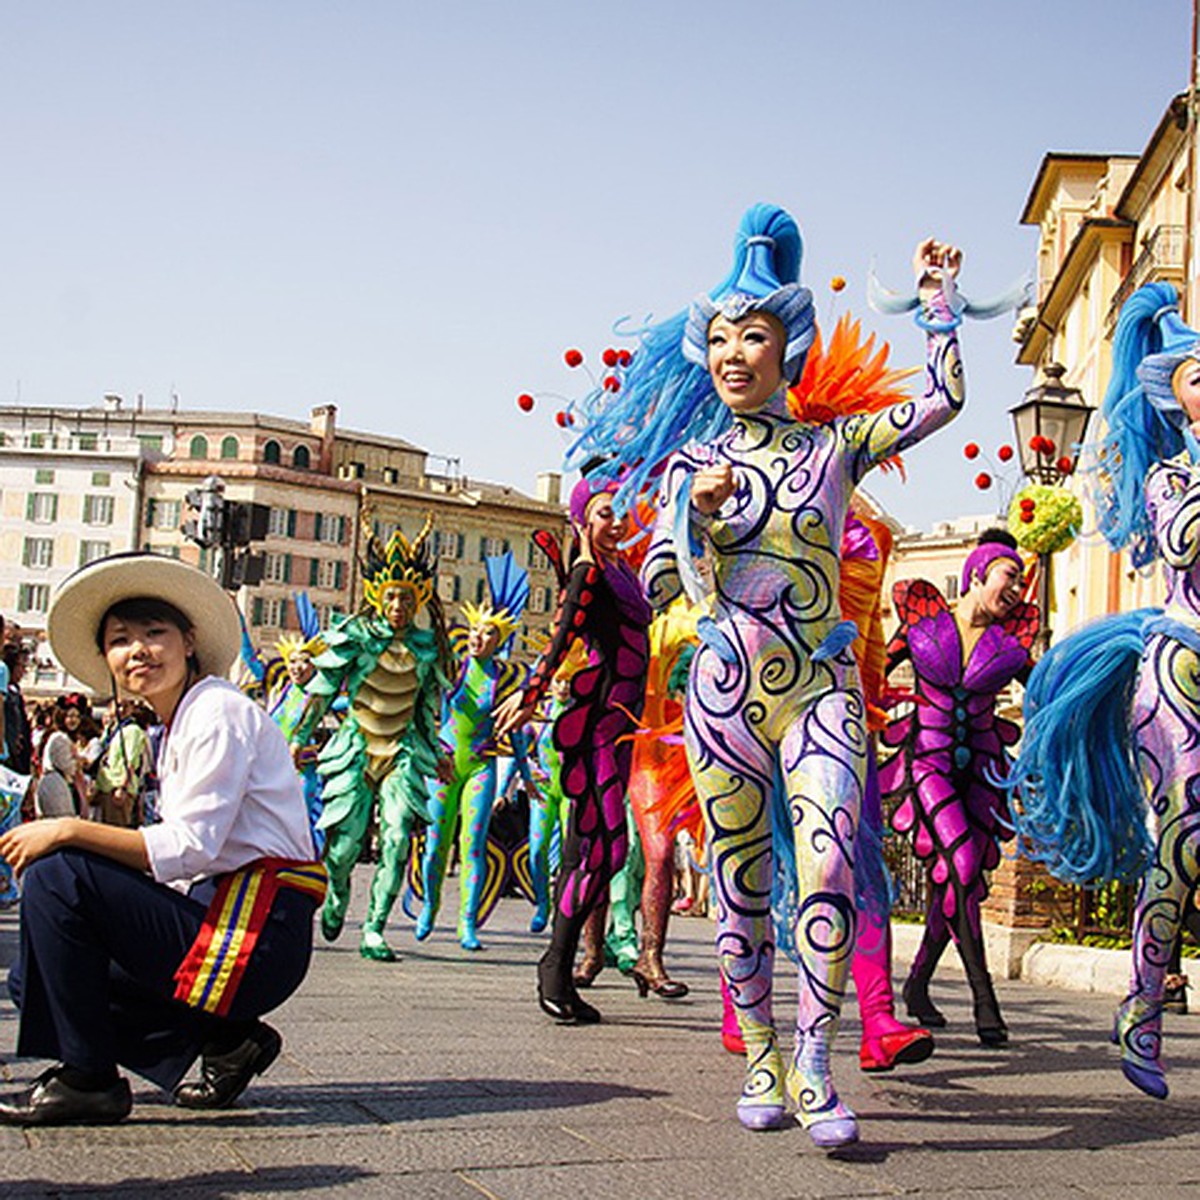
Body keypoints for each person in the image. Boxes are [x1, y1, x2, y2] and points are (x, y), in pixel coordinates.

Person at [569, 204, 970, 1147]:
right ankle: (760, 1052)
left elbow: (945, 398)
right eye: (718, 338)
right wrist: (692, 522)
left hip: (821, 685)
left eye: (752, 335)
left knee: (828, 859)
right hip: (722, 692)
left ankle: (819, 1062)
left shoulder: (837, 448)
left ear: (789, 346)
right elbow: (665, 583)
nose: (732, 353)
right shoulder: (694, 466)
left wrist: (940, 301)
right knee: (743, 883)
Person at [0, 552, 324, 1126]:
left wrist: (69, 828)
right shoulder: (174, 725)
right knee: (37, 977)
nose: (139, 650)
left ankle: (89, 1079)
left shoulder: (216, 712)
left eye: (155, 633)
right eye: (121, 640)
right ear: (107, 659)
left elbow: (191, 846)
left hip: (254, 932)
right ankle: (222, 1041)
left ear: (189, 641)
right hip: (216, 918)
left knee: (58, 873)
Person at [1009, 281, 1200, 1100]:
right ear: (1177, 397)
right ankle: (1145, 1004)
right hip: (1183, 665)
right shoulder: (1168, 479)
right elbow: (1184, 542)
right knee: (1185, 837)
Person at [495, 478, 652, 1026]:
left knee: (602, 852)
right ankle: (555, 964)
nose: (617, 522)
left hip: (622, 729)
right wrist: (530, 694)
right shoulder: (588, 575)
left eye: (622, 512)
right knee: (605, 850)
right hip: (596, 729)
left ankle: (558, 967)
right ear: (585, 518)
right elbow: (561, 639)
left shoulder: (622, 571)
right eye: (606, 513)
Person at [879, 528, 1037, 1047]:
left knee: (957, 882)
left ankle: (919, 984)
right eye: (1009, 576)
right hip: (928, 764)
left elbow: (1046, 695)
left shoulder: (1011, 642)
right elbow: (875, 669)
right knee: (963, 867)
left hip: (983, 769)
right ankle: (983, 1000)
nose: (1016, 589)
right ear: (978, 572)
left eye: (1020, 582)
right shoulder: (923, 623)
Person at [289, 521, 451, 963]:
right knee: (342, 850)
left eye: (407, 597)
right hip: (357, 747)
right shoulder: (355, 638)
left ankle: (376, 928)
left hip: (402, 753)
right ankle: (338, 894)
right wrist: (299, 738)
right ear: (378, 595)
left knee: (398, 840)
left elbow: (426, 711)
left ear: (419, 599)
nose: (399, 605)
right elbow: (321, 692)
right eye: (392, 596)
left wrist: (438, 756)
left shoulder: (427, 649)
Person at [415, 552, 529, 951]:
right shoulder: (455, 668)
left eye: (488, 633)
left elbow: (514, 732)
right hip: (446, 764)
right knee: (434, 845)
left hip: (482, 765)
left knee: (473, 844)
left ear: (499, 640)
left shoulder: (503, 678)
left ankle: (468, 923)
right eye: (475, 631)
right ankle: (431, 905)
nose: (479, 637)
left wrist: (526, 778)